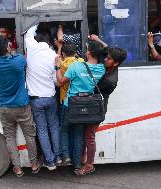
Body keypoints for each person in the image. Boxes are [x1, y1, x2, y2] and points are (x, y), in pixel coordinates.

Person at [0, 36, 42, 177]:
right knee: (29, 136)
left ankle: (17, 168)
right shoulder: (18, 61)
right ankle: (34, 164)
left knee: (10, 138)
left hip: (4, 107)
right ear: (7, 48)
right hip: (22, 106)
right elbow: (24, 58)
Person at [77, 34, 127, 176]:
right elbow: (107, 48)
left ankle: (89, 165)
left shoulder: (110, 80)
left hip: (97, 109)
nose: (105, 59)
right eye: (106, 56)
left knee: (89, 135)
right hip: (92, 105)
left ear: (116, 63)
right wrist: (97, 39)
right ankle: (82, 158)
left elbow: (90, 86)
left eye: (108, 58)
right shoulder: (110, 64)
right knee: (86, 133)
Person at [55, 40, 105, 174]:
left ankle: (65, 156)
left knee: (64, 129)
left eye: (87, 49)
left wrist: (57, 67)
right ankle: (77, 165)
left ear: (88, 53)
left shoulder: (76, 66)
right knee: (79, 135)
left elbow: (60, 82)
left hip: (70, 104)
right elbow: (106, 50)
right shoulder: (101, 68)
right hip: (85, 107)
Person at [24, 24, 60, 170]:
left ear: (37, 40)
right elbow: (57, 81)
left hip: (36, 100)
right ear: (49, 41)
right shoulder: (54, 55)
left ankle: (49, 161)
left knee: (42, 130)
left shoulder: (32, 47)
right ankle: (57, 157)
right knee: (54, 127)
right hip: (51, 98)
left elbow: (28, 34)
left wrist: (37, 21)